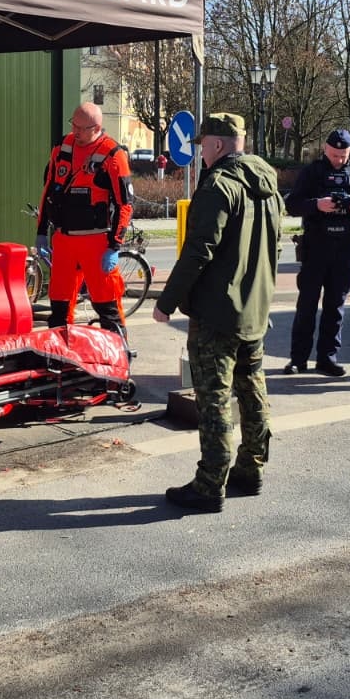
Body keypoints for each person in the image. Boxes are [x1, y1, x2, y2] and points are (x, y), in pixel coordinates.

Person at [152, 113, 282, 512]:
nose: (200, 154)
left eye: (203, 145)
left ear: (219, 145)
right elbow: (275, 245)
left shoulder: (219, 186)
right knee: (253, 391)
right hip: (254, 309)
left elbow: (198, 251)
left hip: (218, 313)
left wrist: (166, 302)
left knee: (215, 399)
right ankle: (252, 469)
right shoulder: (267, 183)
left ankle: (210, 484)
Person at [283, 128, 350, 377]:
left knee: (335, 308)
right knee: (306, 307)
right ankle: (298, 359)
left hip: (343, 251)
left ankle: (327, 359)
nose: (339, 160)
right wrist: (317, 205)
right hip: (315, 249)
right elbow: (292, 205)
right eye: (335, 155)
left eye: (343, 155)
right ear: (325, 149)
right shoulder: (312, 172)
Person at [35, 102, 134, 336]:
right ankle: (60, 353)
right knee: (59, 307)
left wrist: (114, 245)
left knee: (107, 307)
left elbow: (125, 204)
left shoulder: (112, 154)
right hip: (64, 239)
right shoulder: (62, 147)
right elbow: (48, 189)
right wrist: (41, 231)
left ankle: (119, 352)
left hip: (96, 242)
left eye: (81, 128)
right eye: (73, 125)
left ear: (97, 128)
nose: (75, 131)